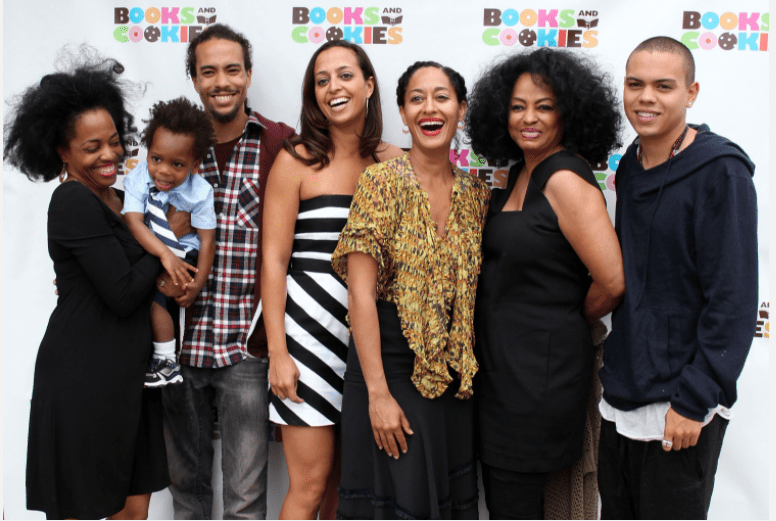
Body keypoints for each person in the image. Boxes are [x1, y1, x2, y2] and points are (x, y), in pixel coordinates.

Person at [4, 51, 171, 519]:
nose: (109, 155)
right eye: (91, 146)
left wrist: (156, 252)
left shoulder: (123, 199)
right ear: (62, 151)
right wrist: (161, 250)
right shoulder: (72, 201)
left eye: (115, 142)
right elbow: (121, 295)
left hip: (132, 377)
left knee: (133, 510)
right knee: (82, 510)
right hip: (84, 378)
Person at [597, 36, 758, 520]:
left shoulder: (722, 172)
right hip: (623, 396)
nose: (646, 97)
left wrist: (695, 399)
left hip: (681, 405)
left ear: (691, 93)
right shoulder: (629, 164)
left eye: (663, 86)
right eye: (635, 84)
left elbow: (732, 297)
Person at [466, 47, 624, 519]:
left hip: (539, 383)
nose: (528, 118)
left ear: (568, 112)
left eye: (544, 106)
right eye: (517, 106)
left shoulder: (565, 178)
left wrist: (562, 318)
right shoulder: (521, 173)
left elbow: (612, 281)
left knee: (517, 506)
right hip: (500, 375)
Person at [332, 61, 491, 519]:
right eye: (416, 98)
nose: (429, 107)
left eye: (442, 97)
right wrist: (378, 395)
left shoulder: (477, 196)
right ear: (402, 113)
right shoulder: (381, 183)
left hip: (454, 380)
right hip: (389, 368)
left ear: (460, 109)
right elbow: (360, 295)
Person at [260, 40, 402, 520]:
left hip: (373, 346)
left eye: (344, 75)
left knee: (349, 489)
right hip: (308, 342)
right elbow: (274, 261)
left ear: (368, 83)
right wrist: (278, 353)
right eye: (322, 80)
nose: (333, 88)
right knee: (310, 486)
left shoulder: (395, 162)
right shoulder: (295, 159)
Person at [159, 24, 294, 519]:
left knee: (244, 498)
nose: (222, 81)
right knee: (185, 493)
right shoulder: (170, 150)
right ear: (194, 79)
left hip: (246, 349)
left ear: (249, 75)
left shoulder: (278, 142)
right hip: (179, 347)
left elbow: (339, 162)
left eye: (232, 69)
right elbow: (131, 215)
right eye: (208, 70)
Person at [123, 97, 216, 388]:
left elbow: (207, 239)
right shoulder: (138, 177)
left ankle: (165, 360)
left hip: (185, 251)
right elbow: (134, 221)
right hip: (153, 249)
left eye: (177, 164)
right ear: (147, 153)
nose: (163, 171)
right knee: (148, 295)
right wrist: (163, 254)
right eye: (156, 159)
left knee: (163, 293)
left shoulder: (200, 192)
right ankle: (160, 357)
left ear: (195, 164)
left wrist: (198, 282)